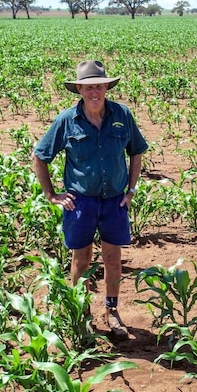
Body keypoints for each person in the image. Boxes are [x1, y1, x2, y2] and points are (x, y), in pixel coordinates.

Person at [32, 60, 148, 339]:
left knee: (113, 258)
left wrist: (131, 190)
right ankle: (81, 312)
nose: (94, 91)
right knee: (81, 259)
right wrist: (51, 195)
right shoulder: (66, 120)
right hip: (80, 202)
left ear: (106, 86)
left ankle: (111, 311)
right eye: (88, 87)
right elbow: (40, 156)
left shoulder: (122, 115)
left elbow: (136, 151)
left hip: (114, 202)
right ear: (79, 90)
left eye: (98, 85)